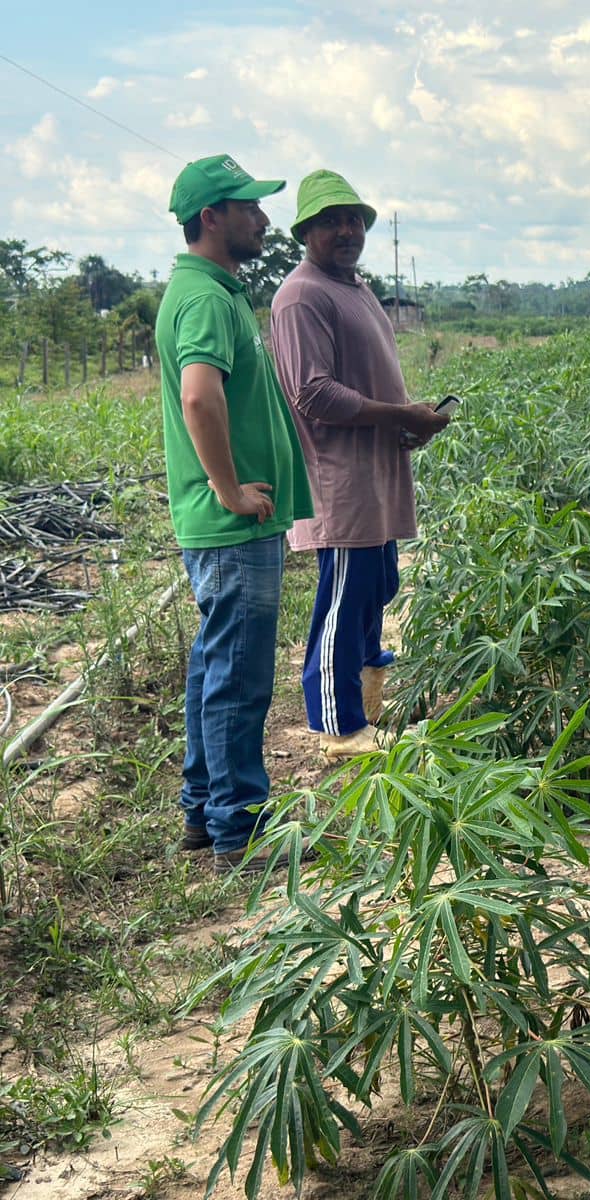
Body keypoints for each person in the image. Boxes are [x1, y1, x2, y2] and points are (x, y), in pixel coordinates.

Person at [155, 154, 314, 873]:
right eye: (248, 207)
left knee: (214, 669)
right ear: (211, 217)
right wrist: (229, 489)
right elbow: (199, 395)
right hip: (231, 524)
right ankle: (241, 832)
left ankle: (204, 811)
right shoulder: (206, 300)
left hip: (228, 526)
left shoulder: (211, 290)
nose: (263, 219)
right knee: (239, 679)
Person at [269, 170, 451, 759]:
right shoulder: (301, 295)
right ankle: (337, 725)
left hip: (376, 473)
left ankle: (369, 703)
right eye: (330, 220)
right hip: (339, 482)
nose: (346, 230)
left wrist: (406, 421)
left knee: (379, 585)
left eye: (353, 219)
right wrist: (399, 412)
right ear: (305, 231)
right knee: (344, 600)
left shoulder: (356, 287)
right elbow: (313, 394)